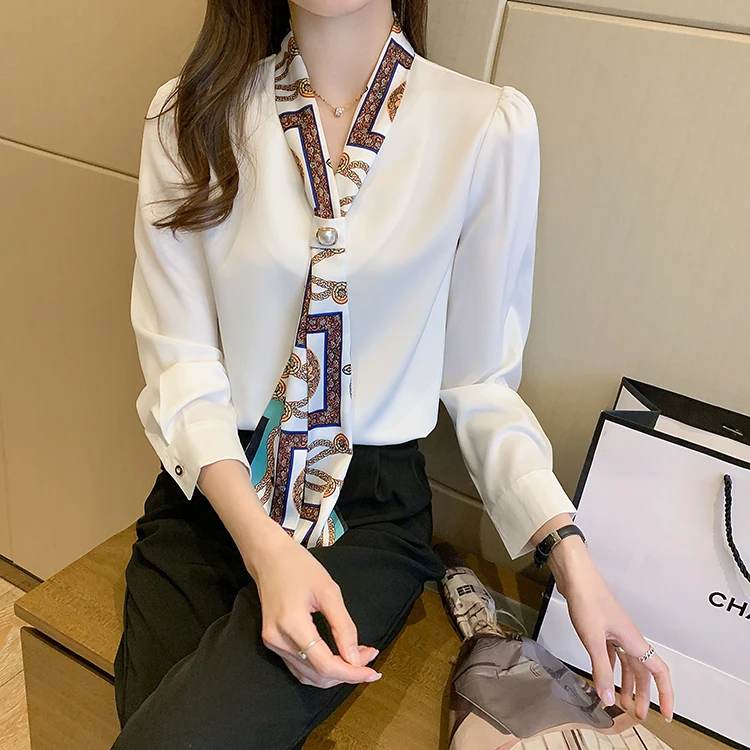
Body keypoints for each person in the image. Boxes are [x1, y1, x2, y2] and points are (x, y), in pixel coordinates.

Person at [111, 1, 675, 747]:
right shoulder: (188, 116)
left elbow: (479, 380)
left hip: (367, 511)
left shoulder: (485, 128)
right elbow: (180, 359)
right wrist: (265, 547)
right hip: (218, 489)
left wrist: (572, 561)